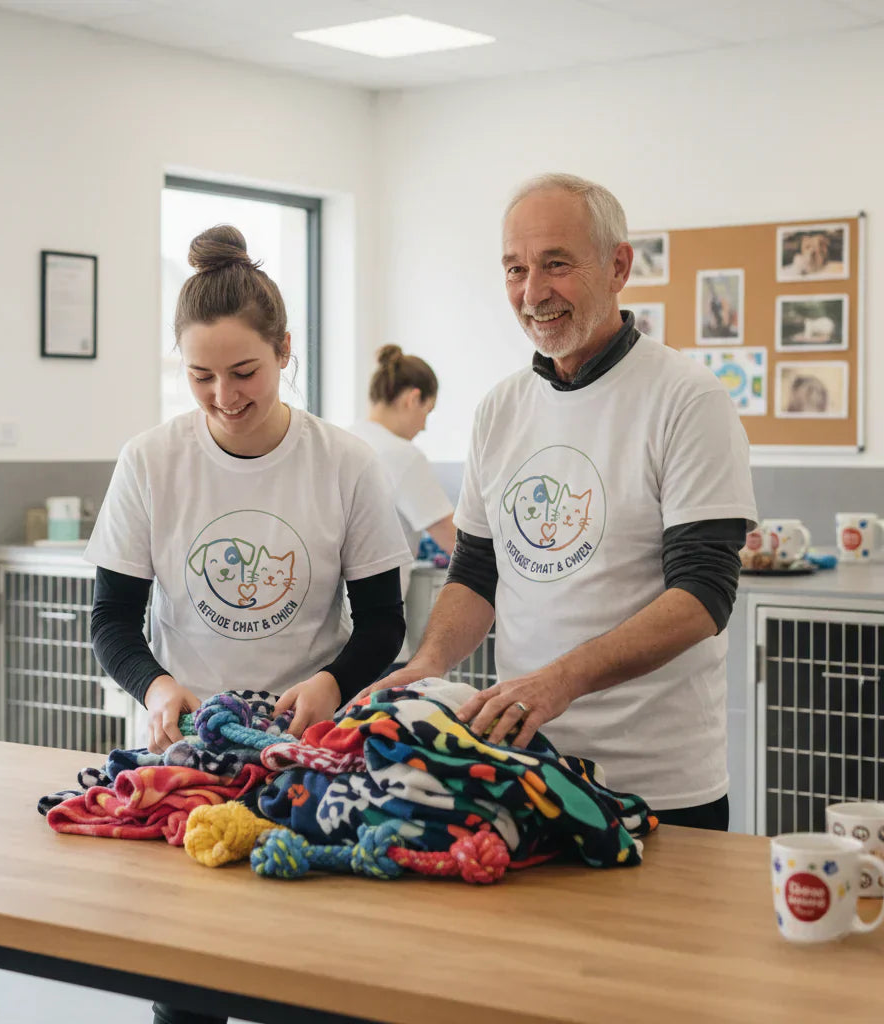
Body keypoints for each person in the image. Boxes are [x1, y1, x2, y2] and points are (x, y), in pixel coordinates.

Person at [85, 225, 411, 1024]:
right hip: (190, 757)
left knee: (302, 981)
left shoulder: (344, 464)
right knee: (187, 985)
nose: (225, 398)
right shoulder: (152, 461)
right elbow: (113, 619)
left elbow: (382, 623)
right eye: (200, 376)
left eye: (244, 372)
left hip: (311, 758)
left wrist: (330, 684)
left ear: (285, 350)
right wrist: (160, 689)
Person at [363, 173, 757, 832]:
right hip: (530, 771)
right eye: (515, 269)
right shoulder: (501, 410)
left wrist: (560, 681)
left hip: (660, 784)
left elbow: (704, 596)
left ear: (618, 266)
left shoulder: (688, 401)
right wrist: (429, 662)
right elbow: (476, 572)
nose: (532, 291)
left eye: (556, 265)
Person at [349, 345, 456, 671]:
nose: (423, 426)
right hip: (379, 637)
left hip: (332, 634)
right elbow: (455, 542)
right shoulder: (402, 455)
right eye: (428, 411)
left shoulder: (344, 441)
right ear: (412, 398)